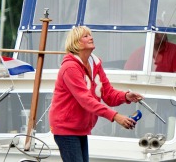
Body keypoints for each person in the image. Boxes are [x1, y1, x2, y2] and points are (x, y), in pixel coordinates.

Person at [49, 26, 144, 162]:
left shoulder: (96, 64)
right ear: (76, 43)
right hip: (66, 128)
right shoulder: (70, 68)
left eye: (90, 35)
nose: (91, 37)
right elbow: (86, 100)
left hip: (81, 128)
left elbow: (108, 94)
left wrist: (125, 96)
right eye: (86, 36)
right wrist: (116, 116)